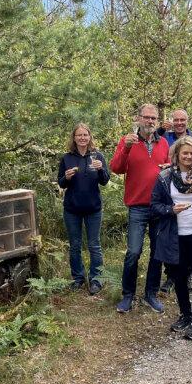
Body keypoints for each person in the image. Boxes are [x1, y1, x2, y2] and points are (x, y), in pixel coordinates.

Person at [151, 136, 192, 340]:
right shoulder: (165, 177)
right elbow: (154, 205)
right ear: (177, 154)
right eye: (185, 153)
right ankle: (185, 314)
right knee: (178, 278)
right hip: (174, 236)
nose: (189, 156)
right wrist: (171, 209)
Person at [111, 103, 171, 313]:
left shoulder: (163, 143)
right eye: (146, 117)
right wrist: (126, 148)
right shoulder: (128, 141)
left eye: (153, 118)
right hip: (137, 206)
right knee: (133, 252)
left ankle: (150, 294)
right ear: (138, 119)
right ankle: (128, 295)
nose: (150, 121)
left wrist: (168, 168)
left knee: (157, 252)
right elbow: (116, 168)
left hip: (158, 206)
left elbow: (170, 170)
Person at [58, 123, 110, 295]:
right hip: (72, 208)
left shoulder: (97, 156)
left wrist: (101, 169)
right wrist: (66, 177)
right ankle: (78, 278)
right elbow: (61, 183)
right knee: (75, 245)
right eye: (79, 135)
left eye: (85, 135)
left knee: (94, 245)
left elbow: (105, 181)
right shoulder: (67, 158)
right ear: (74, 138)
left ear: (90, 137)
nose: (82, 138)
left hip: (93, 208)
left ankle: (97, 279)